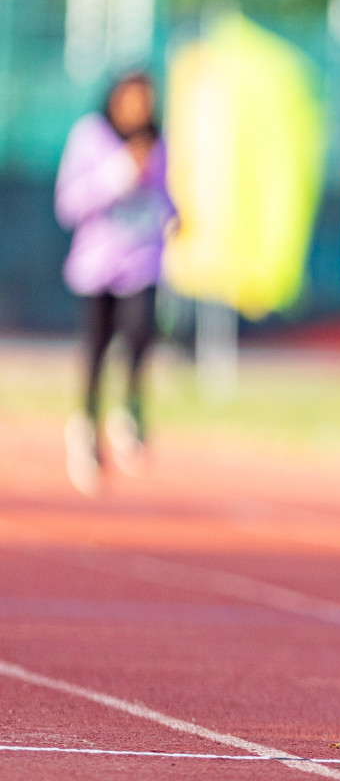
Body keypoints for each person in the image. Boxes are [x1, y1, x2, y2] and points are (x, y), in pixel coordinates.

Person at [54, 70, 175, 495]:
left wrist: (174, 217)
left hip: (142, 262)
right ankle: (86, 427)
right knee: (96, 350)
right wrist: (119, 175)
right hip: (97, 264)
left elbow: (168, 193)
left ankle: (131, 410)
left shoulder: (159, 141)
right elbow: (69, 202)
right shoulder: (90, 137)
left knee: (142, 331)